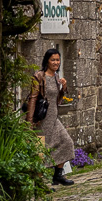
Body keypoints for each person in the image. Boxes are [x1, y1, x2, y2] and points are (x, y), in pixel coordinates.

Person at [26, 47, 75, 186]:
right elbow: (33, 99)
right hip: (41, 119)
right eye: (53, 60)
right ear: (47, 61)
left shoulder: (56, 77)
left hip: (54, 118)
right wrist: (29, 122)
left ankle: (57, 175)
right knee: (40, 151)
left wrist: (63, 88)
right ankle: (39, 184)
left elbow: (57, 99)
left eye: (58, 60)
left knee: (67, 142)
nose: (56, 62)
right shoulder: (39, 76)